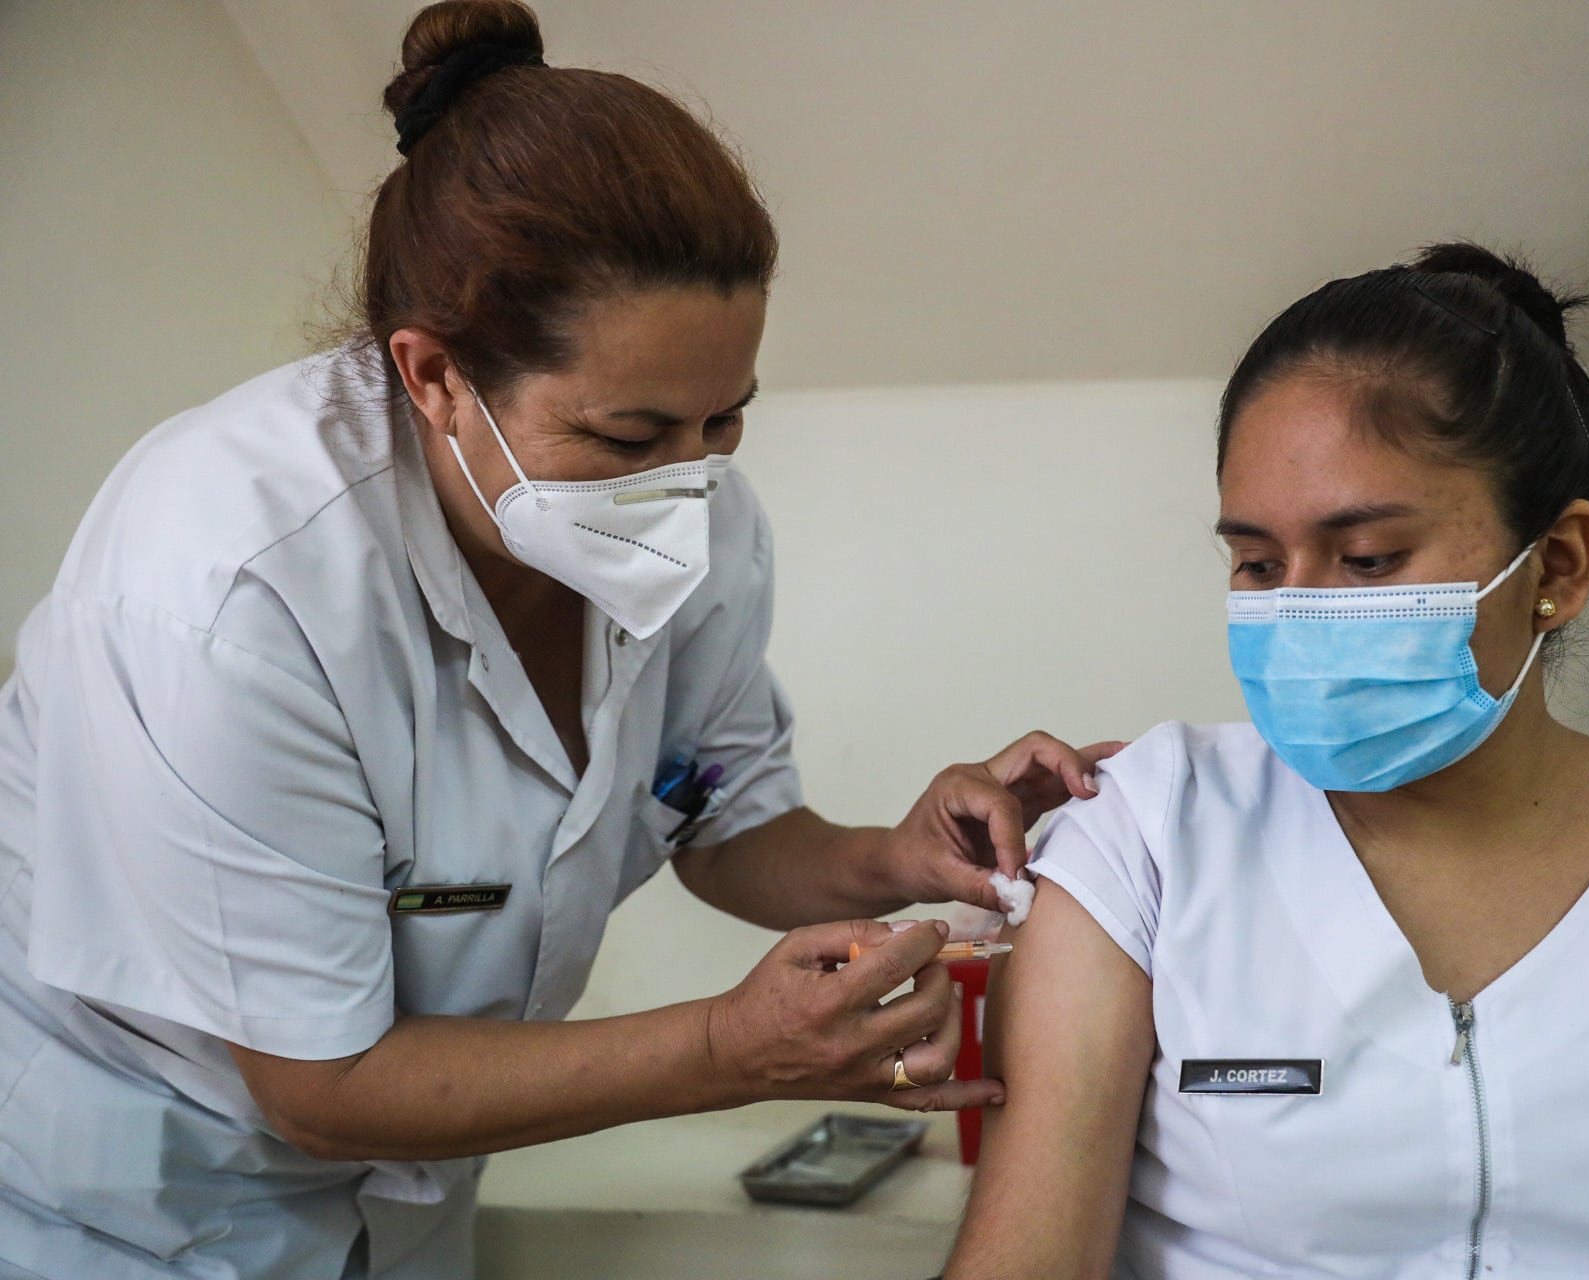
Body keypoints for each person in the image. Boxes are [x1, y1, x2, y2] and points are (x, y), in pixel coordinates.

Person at [0, 3, 1117, 1276]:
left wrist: (895, 854)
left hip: (404, 1203)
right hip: (121, 1210)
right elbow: (319, 1081)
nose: (688, 481)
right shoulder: (225, 591)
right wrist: (730, 1049)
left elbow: (717, 822)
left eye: (727, 421)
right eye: (631, 437)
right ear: (431, 377)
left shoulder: (698, 527)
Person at [946, 244, 1589, 1279]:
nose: (1302, 608)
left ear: (1560, 563)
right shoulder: (1146, 836)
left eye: (1367, 559)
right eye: (1259, 563)